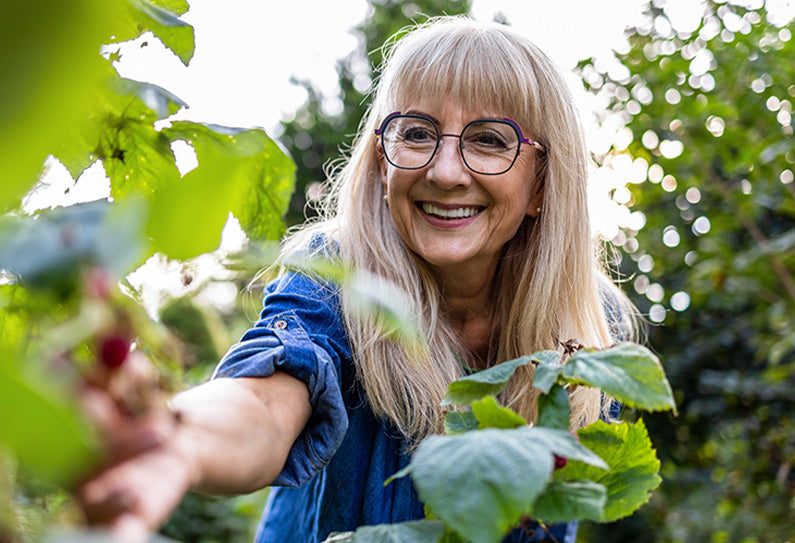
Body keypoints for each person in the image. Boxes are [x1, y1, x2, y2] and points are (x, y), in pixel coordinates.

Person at [77, 15, 635, 543]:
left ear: (541, 185)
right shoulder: (340, 275)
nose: (443, 172)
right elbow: (268, 400)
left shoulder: (589, 327)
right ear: (382, 160)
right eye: (417, 132)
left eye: (490, 140)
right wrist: (176, 438)